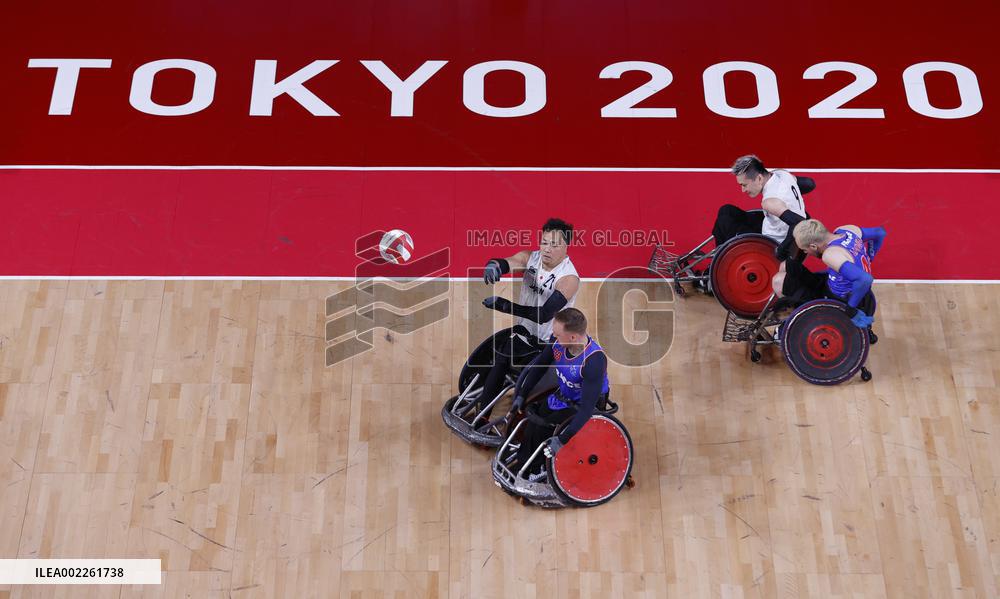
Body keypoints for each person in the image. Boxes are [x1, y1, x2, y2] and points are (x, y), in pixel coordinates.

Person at [475, 218, 581, 415]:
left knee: (516, 372)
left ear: (566, 246)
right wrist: (494, 265)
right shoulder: (531, 258)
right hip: (525, 332)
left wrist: (505, 306)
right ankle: (482, 413)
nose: (547, 249)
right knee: (501, 358)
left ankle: (501, 421)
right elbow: (510, 262)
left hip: (550, 344)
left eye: (554, 245)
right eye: (544, 242)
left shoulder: (568, 279)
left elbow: (544, 315)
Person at [509, 308, 609, 481]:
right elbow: (538, 367)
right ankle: (523, 463)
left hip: (586, 404)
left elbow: (586, 410)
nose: (553, 336)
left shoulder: (593, 361)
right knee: (533, 419)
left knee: (543, 427)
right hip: (564, 396)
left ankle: (537, 469)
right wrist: (521, 395)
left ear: (573, 337)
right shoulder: (558, 343)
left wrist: (562, 440)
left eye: (557, 334)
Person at [790, 219, 888, 328]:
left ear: (813, 246)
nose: (805, 253)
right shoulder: (848, 230)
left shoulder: (830, 254)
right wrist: (870, 256)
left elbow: (865, 279)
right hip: (855, 289)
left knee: (787, 285)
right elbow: (880, 232)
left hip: (840, 298)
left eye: (804, 250)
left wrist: (851, 309)